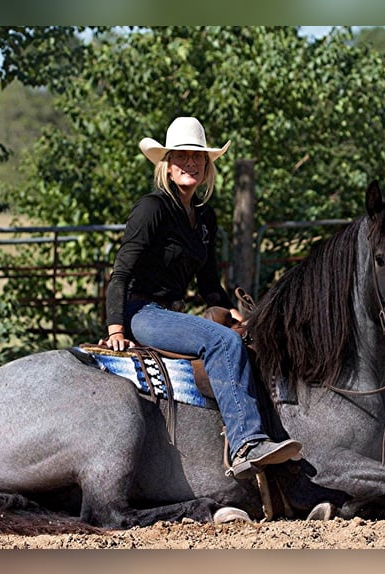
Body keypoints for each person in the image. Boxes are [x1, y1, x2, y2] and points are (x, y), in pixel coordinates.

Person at [103, 116, 302, 480]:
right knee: (223, 344)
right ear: (167, 163)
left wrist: (231, 312)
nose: (190, 163)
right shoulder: (152, 208)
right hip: (142, 311)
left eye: (197, 157)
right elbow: (121, 272)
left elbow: (210, 285)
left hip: (171, 312)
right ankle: (247, 443)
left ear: (207, 166)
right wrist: (116, 326)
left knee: (244, 336)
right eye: (181, 156)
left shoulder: (205, 218)